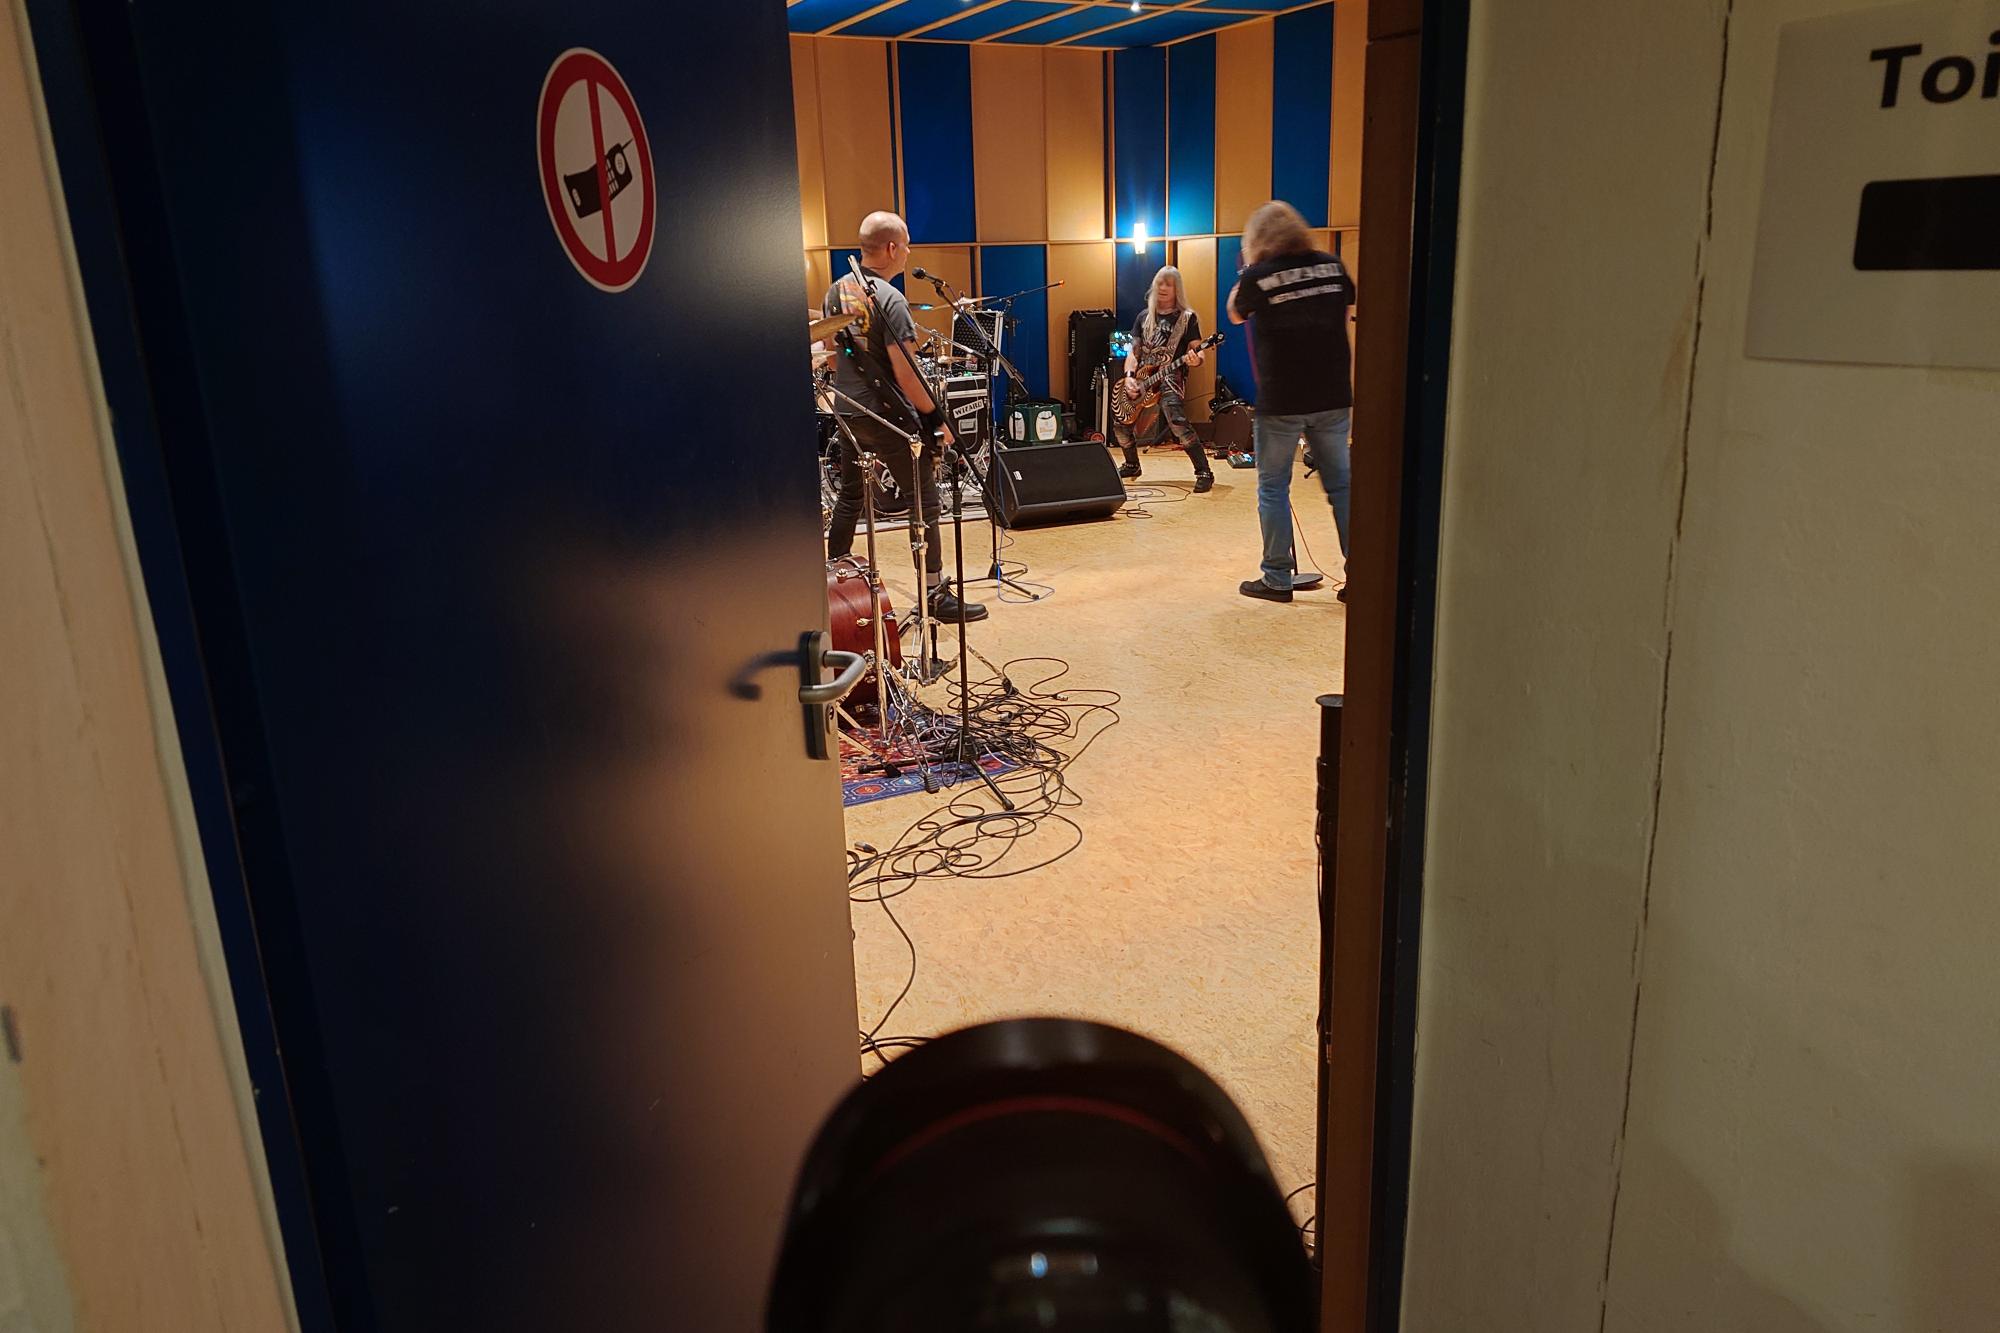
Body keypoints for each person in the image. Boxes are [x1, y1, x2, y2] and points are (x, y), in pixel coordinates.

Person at [823, 211, 986, 623]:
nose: (909, 252)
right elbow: (906, 373)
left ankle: (834, 587)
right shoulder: (890, 299)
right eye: (907, 244)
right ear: (892, 248)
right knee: (924, 502)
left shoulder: (836, 291)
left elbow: (833, 352)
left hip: (849, 411)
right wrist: (935, 419)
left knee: (851, 497)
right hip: (886, 416)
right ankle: (935, 594)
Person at [1226, 200, 1355, 604]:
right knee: (1342, 487)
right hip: (1332, 395)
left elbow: (1235, 313)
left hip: (1281, 400)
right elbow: (1346, 310)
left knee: (1273, 488)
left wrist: (1248, 271)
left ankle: (1277, 578)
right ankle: (1362, 575)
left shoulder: (1258, 276)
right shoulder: (1332, 266)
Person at [1112, 266, 1215, 494]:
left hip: (1170, 376)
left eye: (1169, 284)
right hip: (1143, 378)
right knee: (1121, 423)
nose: (1164, 288)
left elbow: (1198, 352)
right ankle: (1131, 464)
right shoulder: (1143, 317)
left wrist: (1195, 360)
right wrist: (1129, 377)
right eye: (1160, 283)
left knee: (1177, 421)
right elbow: (1133, 354)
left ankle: (1204, 472)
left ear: (1177, 289)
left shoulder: (1186, 319)